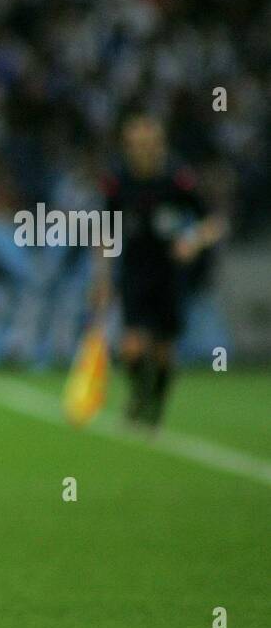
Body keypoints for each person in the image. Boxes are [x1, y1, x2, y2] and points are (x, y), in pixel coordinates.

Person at [95, 113, 225, 427]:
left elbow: (214, 222)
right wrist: (102, 277)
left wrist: (192, 240)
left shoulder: (177, 179)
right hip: (135, 270)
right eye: (136, 144)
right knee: (132, 348)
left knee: (165, 350)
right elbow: (105, 230)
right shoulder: (118, 181)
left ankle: (156, 406)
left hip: (169, 272)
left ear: (160, 145)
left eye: (149, 144)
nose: (143, 150)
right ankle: (140, 395)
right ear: (127, 146)